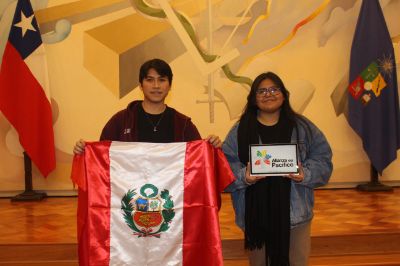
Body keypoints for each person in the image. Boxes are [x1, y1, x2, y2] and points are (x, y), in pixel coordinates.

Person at [222, 72, 333, 266]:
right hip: (255, 217)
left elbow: (324, 161)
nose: (268, 94)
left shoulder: (303, 127)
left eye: (274, 89)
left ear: (284, 94)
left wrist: (304, 174)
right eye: (261, 91)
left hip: (295, 215)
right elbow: (224, 168)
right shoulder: (240, 130)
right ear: (254, 97)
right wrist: (244, 176)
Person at [73, 58, 221, 154]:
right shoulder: (121, 120)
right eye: (150, 80)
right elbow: (102, 156)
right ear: (140, 85)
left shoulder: (183, 124)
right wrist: (84, 151)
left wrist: (213, 148)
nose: (156, 86)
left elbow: (199, 159)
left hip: (172, 198)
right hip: (130, 198)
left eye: (162, 80)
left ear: (170, 85)